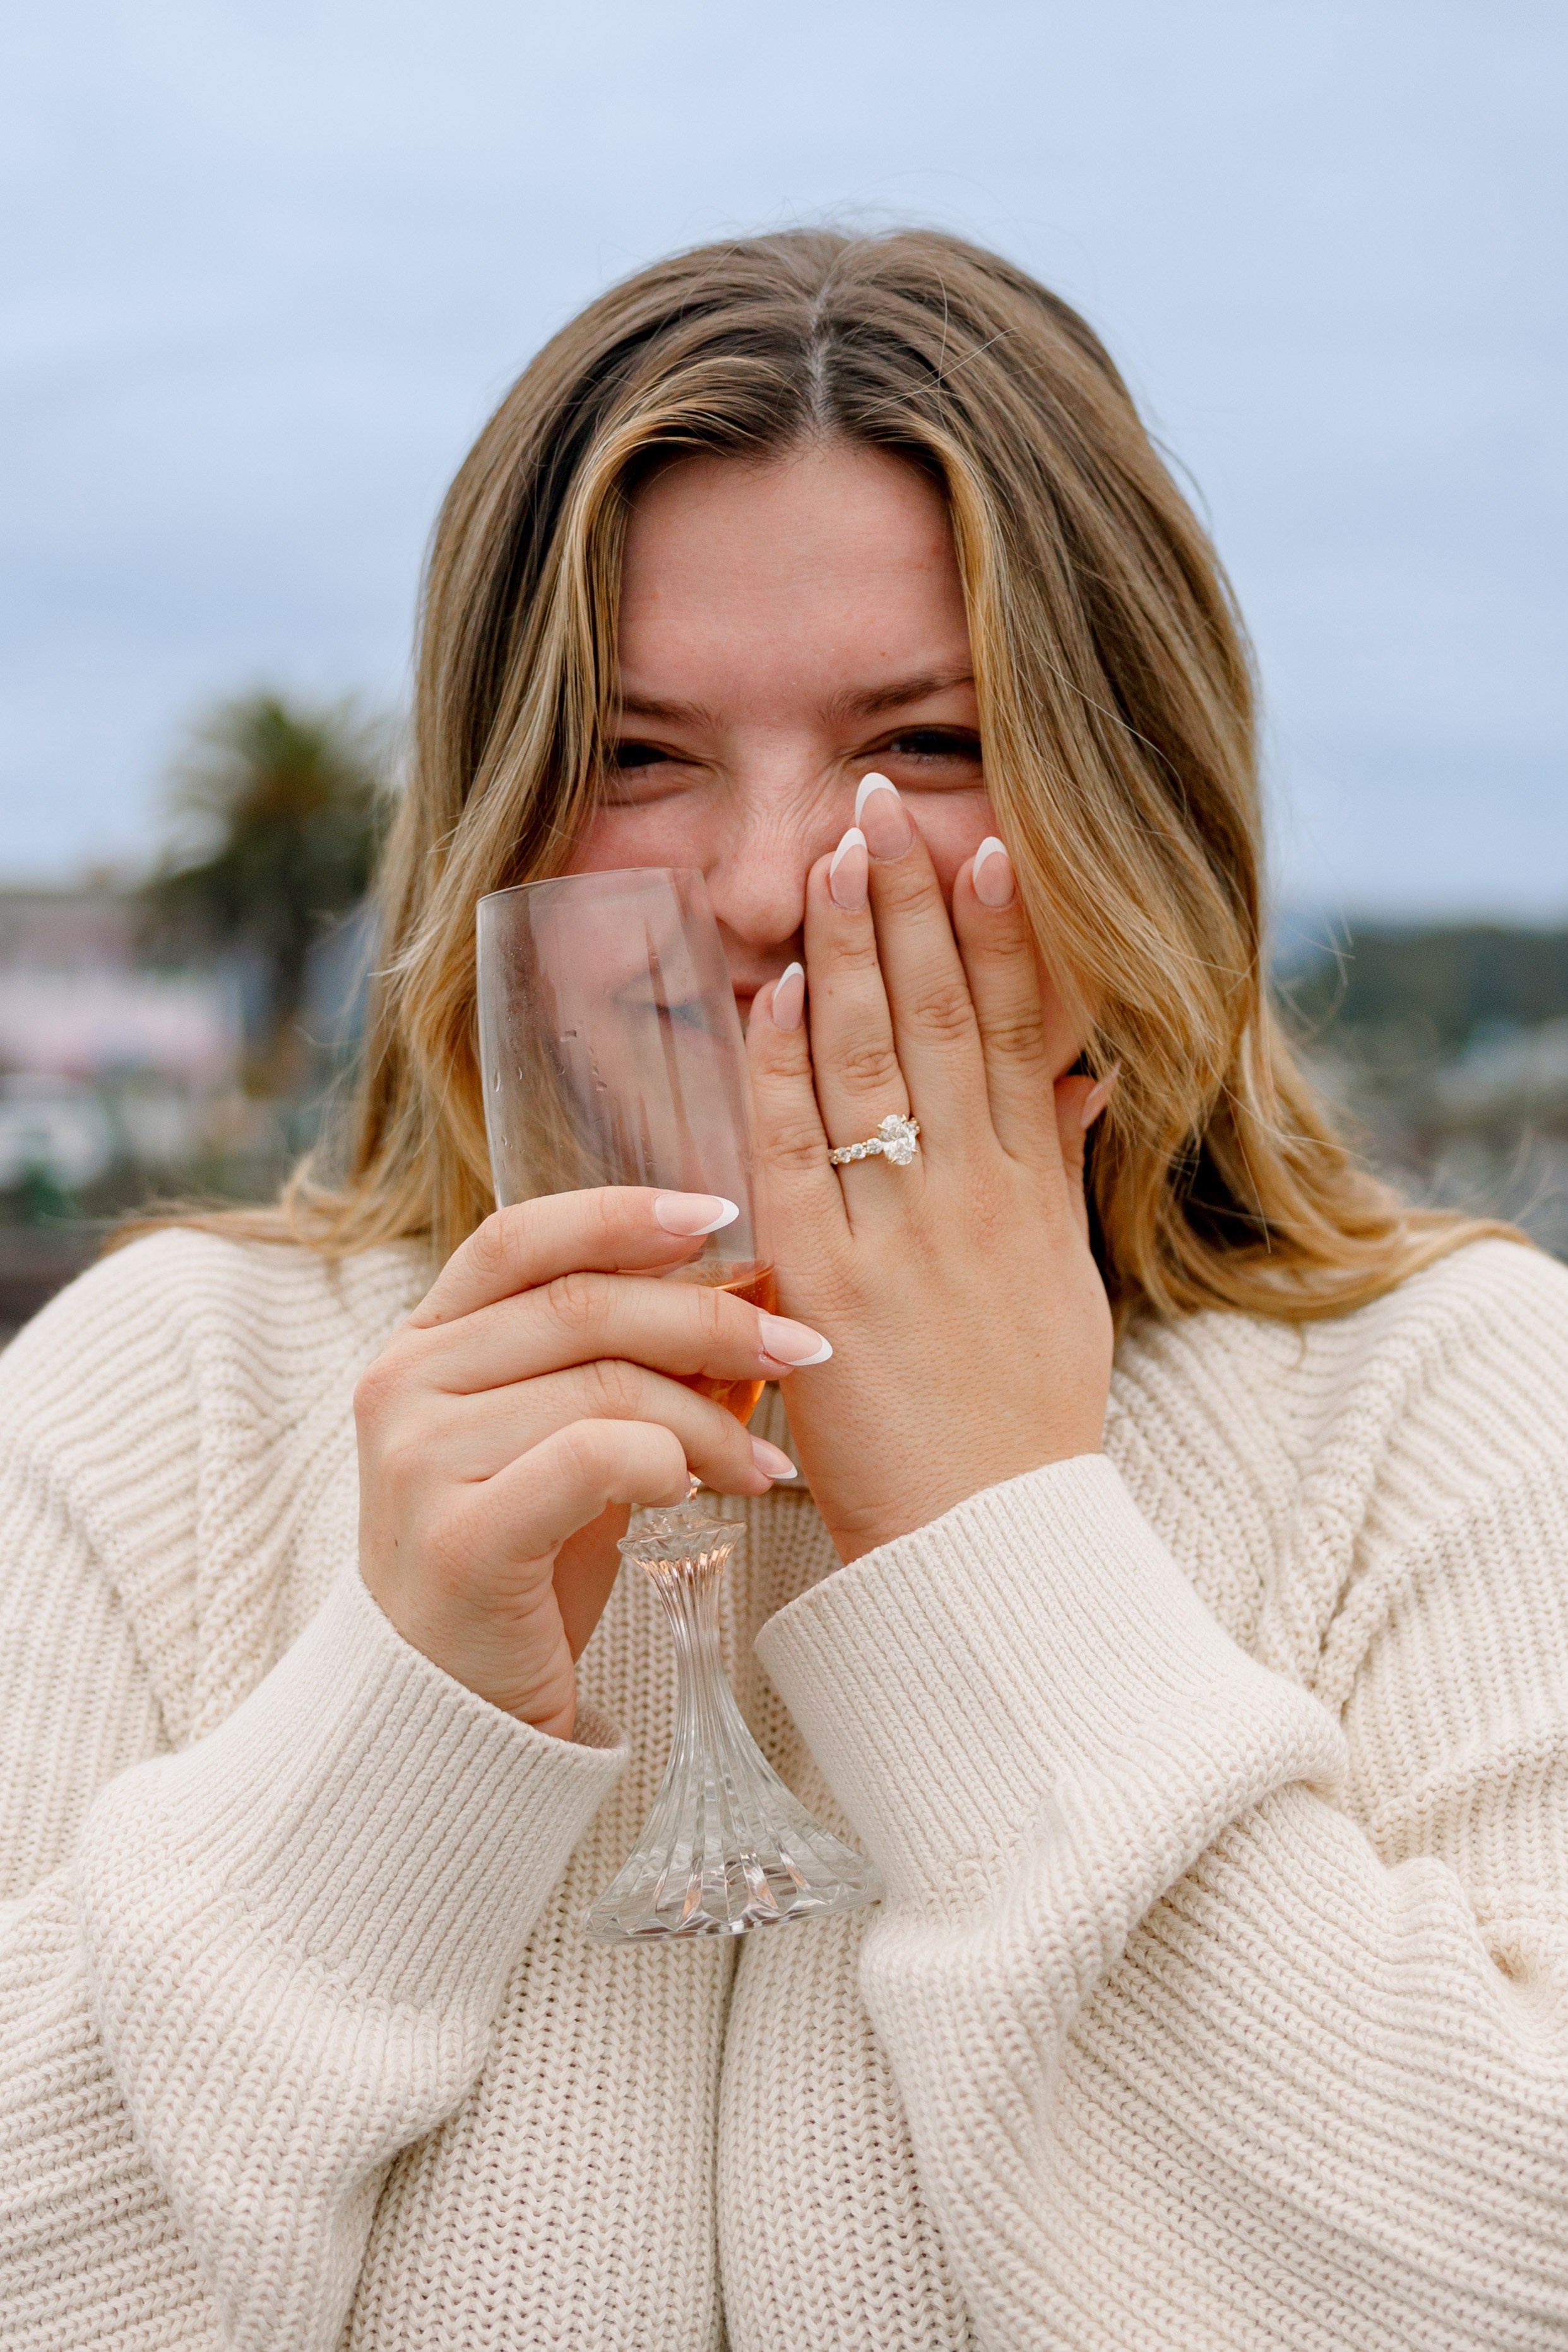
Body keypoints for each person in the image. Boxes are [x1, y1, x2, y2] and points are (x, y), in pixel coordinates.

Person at [3, 228, 1565, 2352]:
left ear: (1131, 793)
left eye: (921, 743)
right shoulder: (158, 1404)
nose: (755, 884)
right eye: (639, 755)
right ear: (493, 810)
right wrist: (395, 1743)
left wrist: (998, 1549)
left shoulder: (1455, 1408)